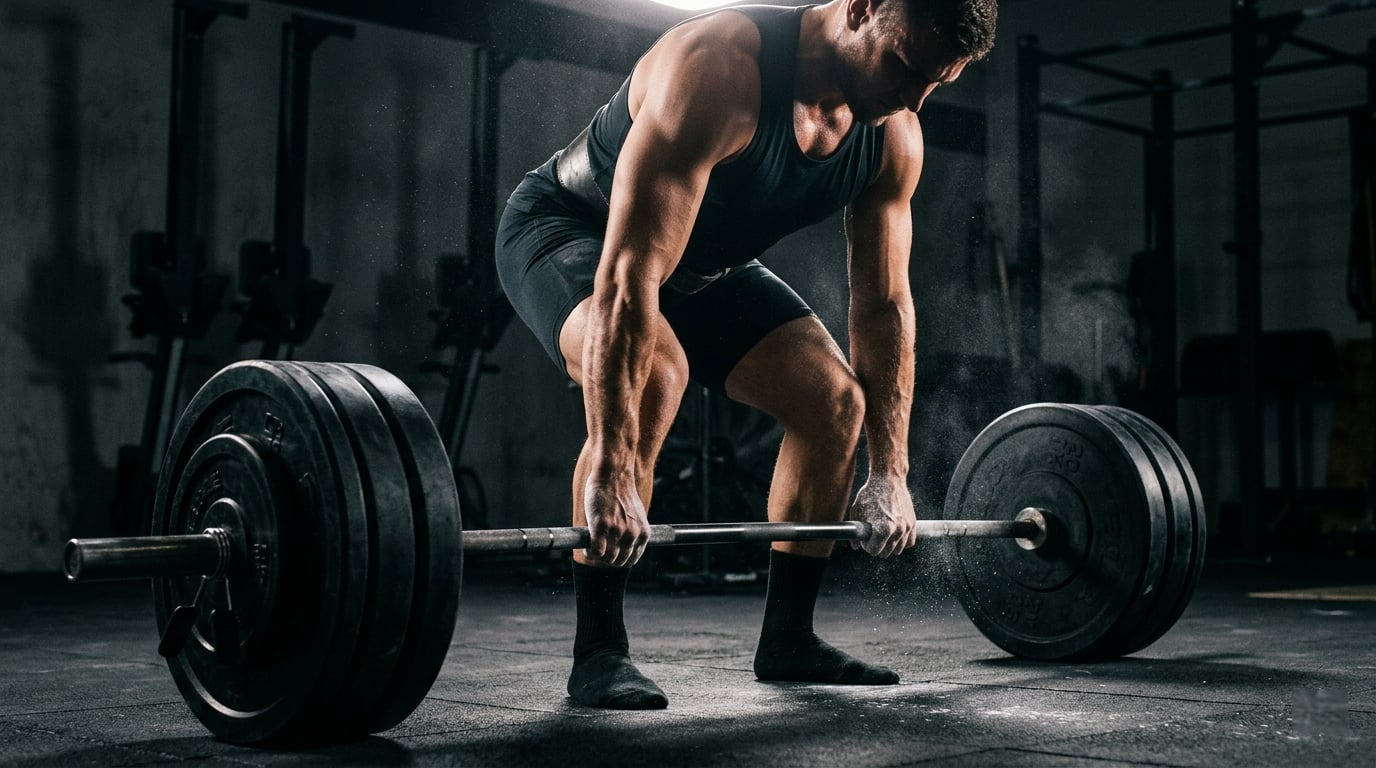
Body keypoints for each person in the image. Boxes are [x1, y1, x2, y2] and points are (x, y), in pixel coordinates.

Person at [495, 0, 997, 709]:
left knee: (836, 404)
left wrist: (890, 470)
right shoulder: (719, 68)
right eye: (904, 67)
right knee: (657, 375)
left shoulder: (893, 135)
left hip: (704, 264)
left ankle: (789, 640)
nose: (914, 98)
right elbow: (629, 273)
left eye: (936, 83)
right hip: (572, 234)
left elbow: (884, 307)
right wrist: (610, 466)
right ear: (860, 7)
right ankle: (599, 650)